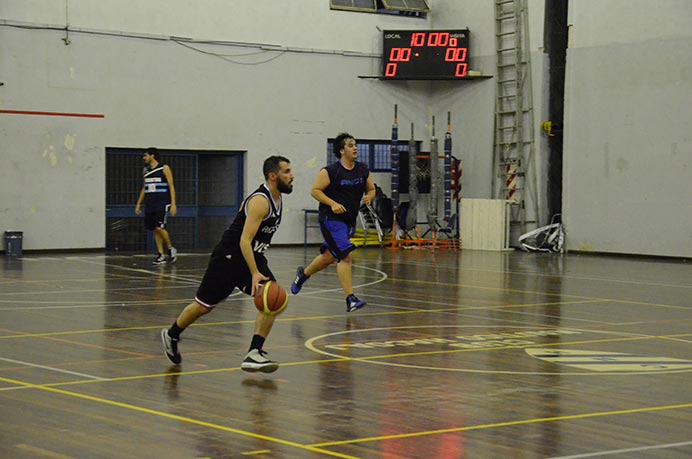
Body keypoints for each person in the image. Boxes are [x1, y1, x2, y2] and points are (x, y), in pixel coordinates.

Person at [161, 155, 294, 373]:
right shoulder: (261, 201)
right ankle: (172, 334)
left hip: (252, 256)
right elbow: (243, 240)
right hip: (229, 257)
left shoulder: (276, 198)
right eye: (287, 172)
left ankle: (254, 352)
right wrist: (254, 273)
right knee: (203, 306)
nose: (292, 176)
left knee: (273, 299)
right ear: (273, 176)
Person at [291, 133, 376, 312]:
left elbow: (371, 188)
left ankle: (303, 274)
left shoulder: (363, 170)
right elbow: (315, 191)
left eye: (355, 144)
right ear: (341, 150)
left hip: (348, 221)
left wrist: (370, 196)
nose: (355, 148)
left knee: (329, 257)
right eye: (350, 145)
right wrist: (333, 203)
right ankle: (350, 298)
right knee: (345, 255)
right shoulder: (330, 171)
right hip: (331, 220)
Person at [135, 147, 178, 265]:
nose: (144, 158)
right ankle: (160, 254)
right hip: (150, 203)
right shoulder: (146, 170)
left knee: (160, 227)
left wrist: (173, 203)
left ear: (152, 156)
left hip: (162, 202)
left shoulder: (164, 168)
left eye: (145, 155)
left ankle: (170, 248)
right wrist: (138, 203)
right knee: (155, 229)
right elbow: (144, 187)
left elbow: (171, 185)